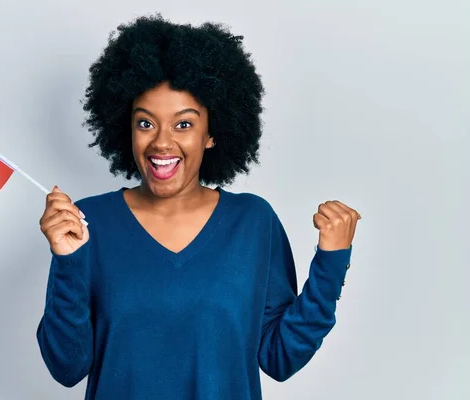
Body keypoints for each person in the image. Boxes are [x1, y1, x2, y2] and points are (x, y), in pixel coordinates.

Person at [36, 14, 361, 399]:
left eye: (184, 125)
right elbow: (67, 367)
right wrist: (69, 261)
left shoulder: (253, 222)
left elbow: (279, 357)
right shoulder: (88, 223)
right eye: (145, 124)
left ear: (212, 134)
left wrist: (331, 262)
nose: (161, 143)